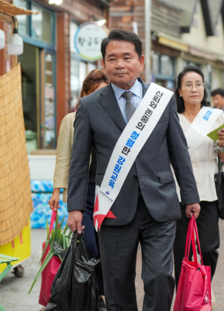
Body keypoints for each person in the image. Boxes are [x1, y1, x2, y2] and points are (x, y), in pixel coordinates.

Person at [66, 29, 200, 311]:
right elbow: (79, 161)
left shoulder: (161, 101)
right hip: (113, 208)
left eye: (127, 57)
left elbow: (179, 151)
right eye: (112, 58)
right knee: (117, 285)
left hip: (159, 205)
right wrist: (75, 206)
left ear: (140, 61)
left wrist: (190, 195)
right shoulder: (89, 106)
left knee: (160, 278)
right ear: (103, 64)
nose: (119, 64)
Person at [173, 66, 224, 309]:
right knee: (180, 250)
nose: (194, 89)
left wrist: (223, 144)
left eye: (198, 84)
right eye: (188, 84)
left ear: (204, 88)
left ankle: (205, 287)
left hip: (208, 191)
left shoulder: (216, 116)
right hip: (177, 192)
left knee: (209, 248)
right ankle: (185, 294)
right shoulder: (171, 117)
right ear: (179, 90)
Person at [48, 69, 109, 309]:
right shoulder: (71, 120)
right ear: (84, 94)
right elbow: (63, 158)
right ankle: (88, 293)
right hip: (82, 192)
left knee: (108, 246)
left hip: (107, 192)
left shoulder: (113, 120)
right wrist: (56, 190)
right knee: (89, 245)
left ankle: (100, 295)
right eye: (94, 93)